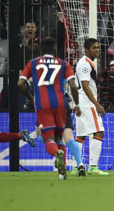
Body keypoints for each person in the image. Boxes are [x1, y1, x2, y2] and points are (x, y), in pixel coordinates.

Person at [18, 37, 81, 180]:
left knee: (48, 139)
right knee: (60, 137)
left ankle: (56, 154)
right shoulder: (63, 63)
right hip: (61, 104)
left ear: (40, 50)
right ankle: (61, 173)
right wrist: (76, 104)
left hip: (43, 104)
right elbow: (72, 85)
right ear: (54, 50)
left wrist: (30, 97)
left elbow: (20, 84)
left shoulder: (33, 63)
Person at [74, 38, 108, 176]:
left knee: (81, 135)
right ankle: (93, 167)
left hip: (81, 102)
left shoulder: (86, 63)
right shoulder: (85, 65)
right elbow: (85, 85)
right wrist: (97, 104)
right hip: (87, 103)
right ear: (86, 50)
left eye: (98, 48)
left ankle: (76, 166)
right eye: (94, 48)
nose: (97, 50)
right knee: (99, 131)